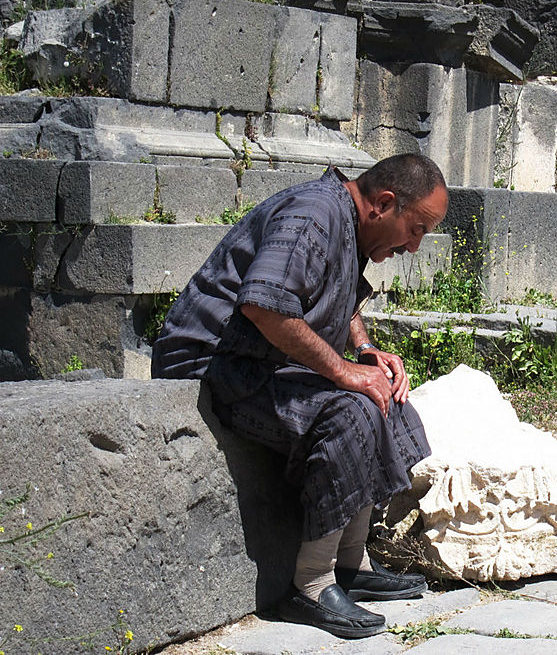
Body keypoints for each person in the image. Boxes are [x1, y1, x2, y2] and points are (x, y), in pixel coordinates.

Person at [151, 153, 449, 639]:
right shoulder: (313, 214)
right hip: (215, 366)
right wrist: (342, 372)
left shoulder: (349, 223)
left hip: (263, 361)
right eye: (416, 228)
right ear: (384, 204)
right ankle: (310, 585)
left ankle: (350, 566)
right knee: (351, 411)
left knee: (384, 395)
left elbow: (340, 295)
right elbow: (264, 306)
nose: (414, 245)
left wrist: (366, 353)